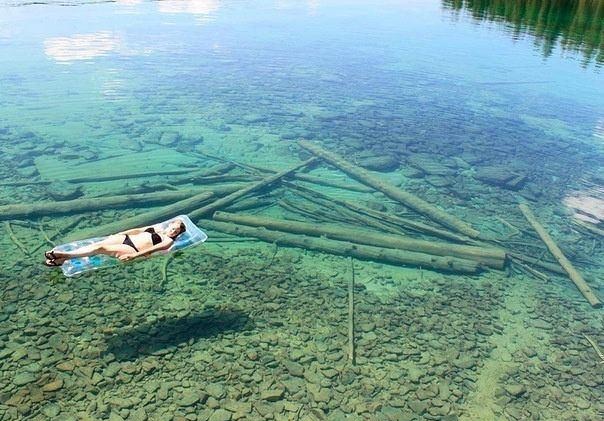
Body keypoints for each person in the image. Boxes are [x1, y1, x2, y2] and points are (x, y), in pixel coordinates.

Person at [44, 219, 187, 267]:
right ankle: (62, 259)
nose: (172, 232)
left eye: (175, 232)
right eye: (172, 228)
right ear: (169, 225)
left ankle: (64, 255)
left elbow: (151, 250)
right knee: (97, 245)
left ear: (177, 234)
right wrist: (122, 233)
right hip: (126, 238)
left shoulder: (168, 241)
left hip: (134, 249)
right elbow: (138, 230)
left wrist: (134, 256)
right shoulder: (158, 228)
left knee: (100, 247)